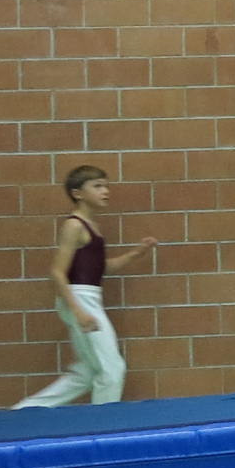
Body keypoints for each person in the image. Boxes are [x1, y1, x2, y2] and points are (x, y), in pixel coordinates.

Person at [17, 165, 160, 407]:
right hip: (79, 298)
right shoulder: (74, 225)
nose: (105, 191)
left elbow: (100, 268)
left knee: (86, 372)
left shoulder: (92, 226)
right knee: (112, 368)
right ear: (78, 193)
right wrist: (78, 311)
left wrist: (136, 253)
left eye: (106, 186)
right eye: (97, 186)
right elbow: (57, 272)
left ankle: (25, 410)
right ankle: (103, 422)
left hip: (88, 296)